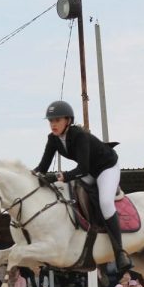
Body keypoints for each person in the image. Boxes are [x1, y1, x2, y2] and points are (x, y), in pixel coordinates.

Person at [33, 100, 132, 273]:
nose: (53, 124)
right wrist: (28, 177)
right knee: (74, 196)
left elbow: (83, 168)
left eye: (57, 120)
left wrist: (62, 176)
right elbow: (42, 168)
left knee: (105, 202)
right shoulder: (53, 139)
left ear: (68, 120)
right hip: (89, 170)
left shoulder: (79, 135)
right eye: (51, 121)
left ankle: (120, 252)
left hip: (106, 167)